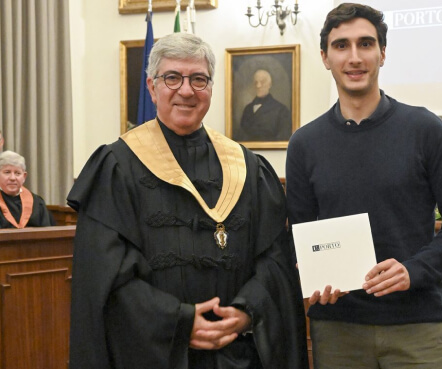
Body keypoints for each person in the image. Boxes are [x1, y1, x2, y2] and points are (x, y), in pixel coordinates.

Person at [67, 32, 308, 369]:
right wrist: (178, 322)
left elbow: (274, 261)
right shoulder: (118, 168)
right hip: (154, 354)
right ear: (152, 88)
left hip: (237, 353)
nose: (186, 90)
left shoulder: (247, 168)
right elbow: (106, 279)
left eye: (198, 79)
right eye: (172, 78)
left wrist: (246, 311)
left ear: (210, 88)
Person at [286, 3, 442, 369]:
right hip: (338, 328)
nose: (354, 57)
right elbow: (300, 234)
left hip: (418, 324)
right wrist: (310, 272)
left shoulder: (425, 129)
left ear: (383, 54)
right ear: (325, 57)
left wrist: (413, 271)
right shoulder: (304, 144)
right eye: (341, 46)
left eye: (366, 44)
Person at [0, 150, 55, 228]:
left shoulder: (37, 202)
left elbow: (47, 234)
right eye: (7, 172)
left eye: (17, 173)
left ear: (24, 176)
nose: (12, 178)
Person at [237, 69, 292, 141]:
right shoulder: (247, 109)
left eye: (262, 82)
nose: (258, 85)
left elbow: (282, 139)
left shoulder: (281, 110)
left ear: (269, 84)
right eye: (256, 82)